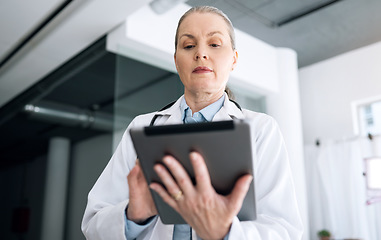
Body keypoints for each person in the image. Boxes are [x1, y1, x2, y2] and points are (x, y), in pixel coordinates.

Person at [82, 6, 303, 240]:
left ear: (234, 59)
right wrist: (135, 214)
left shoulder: (261, 130)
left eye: (215, 44)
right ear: (177, 61)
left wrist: (225, 233)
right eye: (189, 45)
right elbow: (93, 223)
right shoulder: (141, 128)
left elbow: (284, 230)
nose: (201, 53)